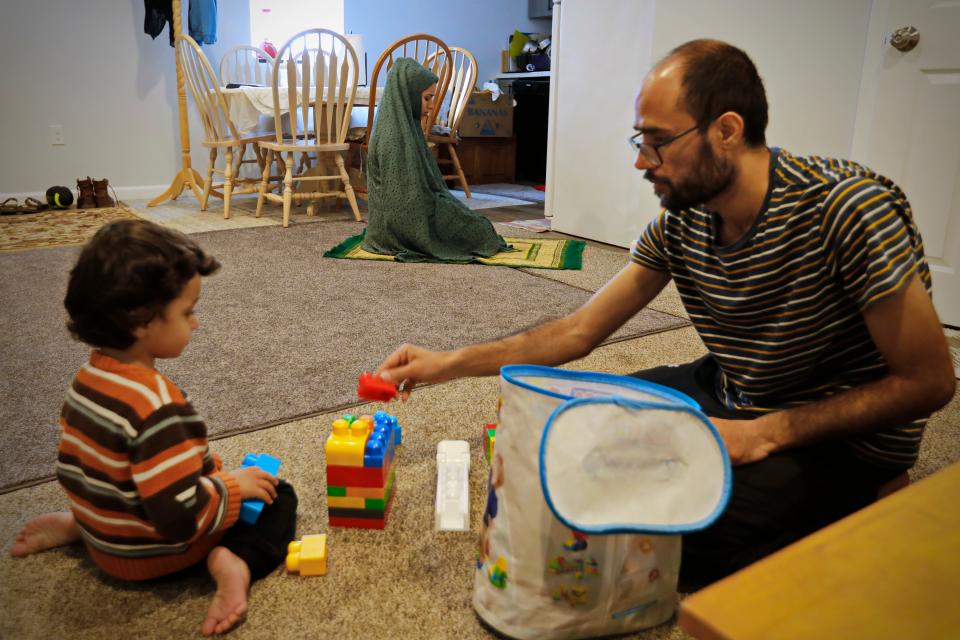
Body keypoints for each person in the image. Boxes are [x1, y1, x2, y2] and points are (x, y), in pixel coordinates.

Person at [373, 39, 956, 585]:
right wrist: (443, 364)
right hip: (734, 389)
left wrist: (766, 434)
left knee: (667, 541)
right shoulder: (684, 221)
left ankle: (870, 495)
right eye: (639, 141)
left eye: (657, 141)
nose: (641, 162)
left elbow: (929, 382)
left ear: (727, 130)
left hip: (841, 435)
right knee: (579, 436)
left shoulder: (849, 208)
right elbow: (578, 331)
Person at [9, 220, 298, 635]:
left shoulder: (86, 380)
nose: (195, 323)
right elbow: (179, 518)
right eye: (187, 311)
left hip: (105, 539)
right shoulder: (159, 405)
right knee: (278, 496)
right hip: (160, 555)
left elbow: (76, 466)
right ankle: (234, 564)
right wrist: (230, 488)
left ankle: (82, 526)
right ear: (141, 321)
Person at [361, 57, 510, 262]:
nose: (432, 106)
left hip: (419, 205)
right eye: (427, 98)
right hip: (396, 225)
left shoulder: (407, 124)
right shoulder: (393, 136)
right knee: (479, 232)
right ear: (409, 96)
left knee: (477, 226)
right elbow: (402, 204)